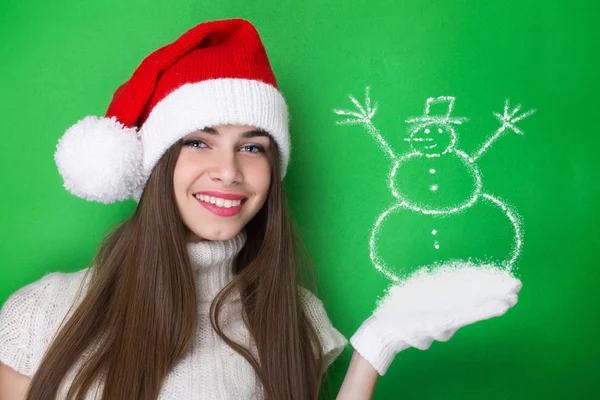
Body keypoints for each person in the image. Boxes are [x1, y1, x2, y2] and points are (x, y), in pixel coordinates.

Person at [0, 18, 521, 400]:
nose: (228, 170)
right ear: (155, 164)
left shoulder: (295, 323)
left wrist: (373, 352)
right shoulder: (43, 314)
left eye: (253, 147)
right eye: (199, 143)